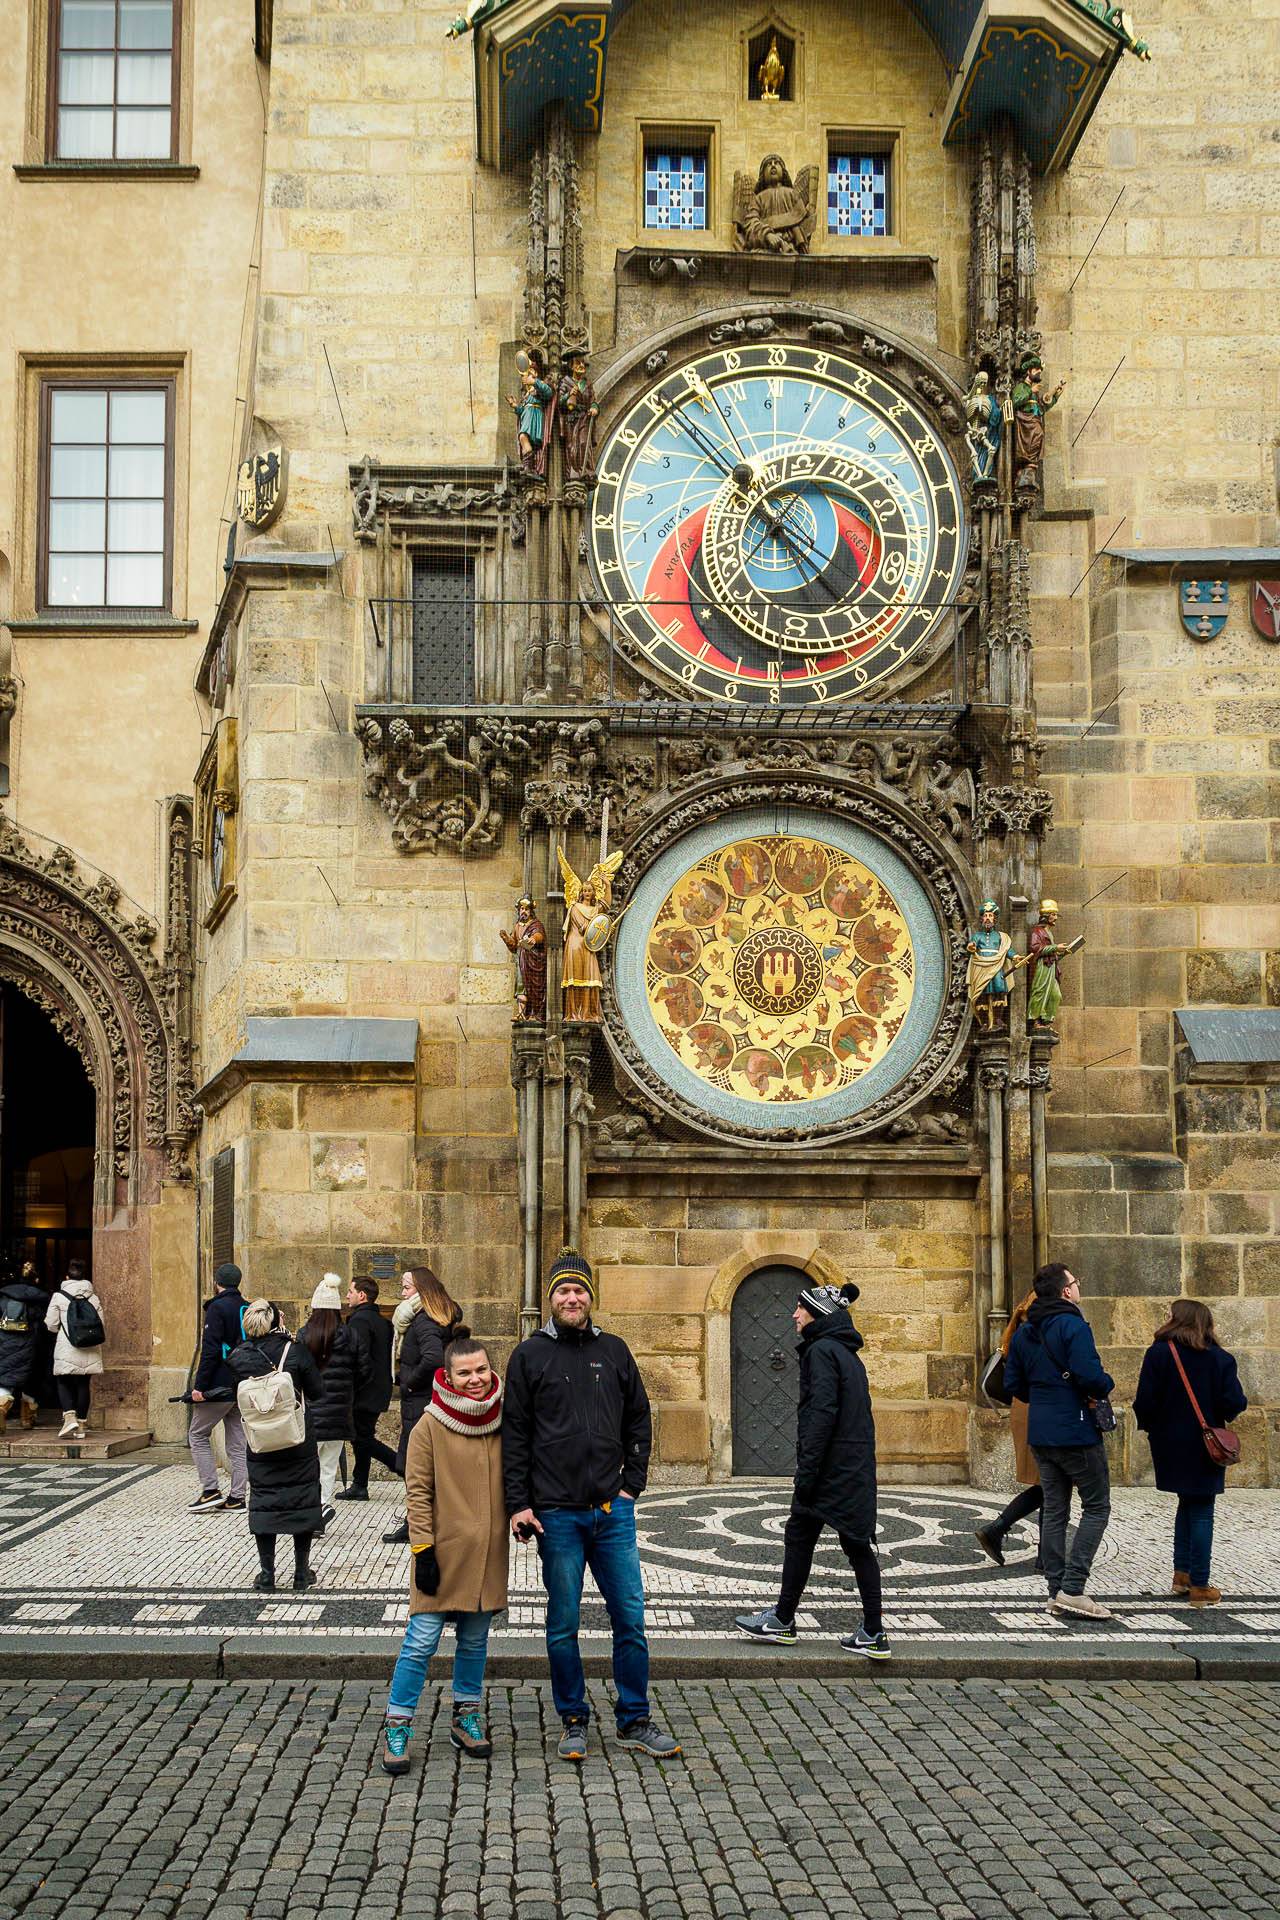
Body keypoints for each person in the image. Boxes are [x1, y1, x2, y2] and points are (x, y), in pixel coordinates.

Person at [503, 1248, 680, 1762]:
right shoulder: (529, 1356)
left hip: (611, 1511)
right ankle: (573, 1718)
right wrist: (518, 1503)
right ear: (551, 1299)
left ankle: (634, 1719)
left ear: (590, 1298)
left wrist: (632, 1485)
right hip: (556, 1514)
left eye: (579, 1290)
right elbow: (514, 1436)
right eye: (563, 1290)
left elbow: (639, 1419)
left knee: (630, 1617)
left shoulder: (616, 1351)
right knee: (562, 1623)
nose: (572, 1297)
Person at [735, 1281, 889, 1658]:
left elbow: (821, 1415)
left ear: (818, 1314)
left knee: (805, 1536)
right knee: (853, 1544)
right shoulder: (847, 1354)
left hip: (829, 1469)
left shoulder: (821, 1352)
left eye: (801, 1308)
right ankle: (871, 1630)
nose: (794, 1314)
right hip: (851, 1466)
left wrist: (807, 1471)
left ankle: (785, 1621)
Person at [381, 1332, 509, 1775]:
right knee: (421, 1642)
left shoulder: (503, 1416)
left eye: (481, 1370)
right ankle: (398, 1723)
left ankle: (465, 1716)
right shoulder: (429, 1425)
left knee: (474, 1641)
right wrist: (423, 1553)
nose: (475, 1380)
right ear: (449, 1377)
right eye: (465, 1373)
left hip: (488, 1551)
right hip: (442, 1550)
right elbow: (417, 1494)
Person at [1004, 1262, 1115, 1619]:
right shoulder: (1073, 1324)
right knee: (1096, 1507)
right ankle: (1074, 1588)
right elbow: (1090, 1376)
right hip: (1077, 1430)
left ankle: (1055, 1591)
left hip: (1041, 1430)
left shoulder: (1025, 1331)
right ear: (1066, 1291)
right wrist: (1105, 1383)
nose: (1077, 1287)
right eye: (1075, 1282)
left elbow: (1014, 1385)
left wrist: (1044, 1397)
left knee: (1054, 1509)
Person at [1133, 1299, 1247, 1609]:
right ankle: (1200, 1585)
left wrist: (1153, 1428)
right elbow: (1234, 1403)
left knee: (1187, 1503)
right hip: (1204, 1444)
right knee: (1201, 1511)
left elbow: (1143, 1401)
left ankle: (1181, 1575)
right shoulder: (1220, 1358)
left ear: (1177, 1320)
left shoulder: (1158, 1353)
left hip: (1168, 1443)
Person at [225, 1299, 326, 1592]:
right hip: (296, 1439)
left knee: (265, 1501)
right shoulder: (294, 1351)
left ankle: (267, 1574)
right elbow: (317, 1392)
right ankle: (300, 1573)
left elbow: (236, 1396)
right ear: (275, 1322)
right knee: (303, 1500)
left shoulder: (237, 1356)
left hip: (260, 1441)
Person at [381, 1268, 465, 1545]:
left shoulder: (424, 1321)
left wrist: (409, 1384)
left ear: (420, 1291)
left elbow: (432, 1359)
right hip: (426, 1398)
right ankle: (418, 1520)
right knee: (423, 1463)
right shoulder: (432, 1317)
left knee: (415, 1464)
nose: (402, 1294)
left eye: (406, 1288)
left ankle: (416, 1523)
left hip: (420, 1400)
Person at [975, 1289, 1043, 1570]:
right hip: (1036, 1410)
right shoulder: (1034, 1330)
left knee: (1049, 1485)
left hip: (1028, 1409)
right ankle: (1001, 1530)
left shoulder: (1023, 1324)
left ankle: (1000, 1530)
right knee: (1050, 1484)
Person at [299, 1273, 363, 1527]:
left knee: (308, 1465)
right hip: (339, 1413)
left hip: (311, 1412)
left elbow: (296, 1372)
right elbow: (363, 1370)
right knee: (328, 1467)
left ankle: (310, 1508)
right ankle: (322, 1508)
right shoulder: (349, 1335)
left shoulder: (304, 1335)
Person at [188, 1261, 249, 1513]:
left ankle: (210, 1490)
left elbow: (210, 1350)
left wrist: (199, 1387)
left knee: (197, 1434)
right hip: (242, 1383)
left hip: (219, 1384)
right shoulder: (247, 1306)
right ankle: (237, 1497)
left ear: (217, 1283)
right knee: (237, 1442)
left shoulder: (217, 1308)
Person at [337, 1275, 395, 1502]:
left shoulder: (359, 1321)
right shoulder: (383, 1321)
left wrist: (352, 1387)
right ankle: (359, 1484)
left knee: (362, 1438)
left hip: (364, 1390)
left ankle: (402, 1465)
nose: (348, 1295)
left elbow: (358, 1359)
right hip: (379, 1387)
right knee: (362, 1436)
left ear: (362, 1295)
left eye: (350, 1291)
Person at [45, 1259, 104, 1439]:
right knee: (83, 1384)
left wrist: (62, 1330)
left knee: (63, 1381)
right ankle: (80, 1428)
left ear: (67, 1276)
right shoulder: (93, 1297)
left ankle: (69, 1415)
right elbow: (102, 1324)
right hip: (90, 1346)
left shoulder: (59, 1296)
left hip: (67, 1345)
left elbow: (51, 1324)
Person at [0, 1269, 49, 1433]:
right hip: (30, 1346)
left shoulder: (4, 1298)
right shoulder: (38, 1301)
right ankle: (27, 1419)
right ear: (36, 1280)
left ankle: (1, 1409)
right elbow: (45, 1325)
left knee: (7, 1379)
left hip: (6, 1346)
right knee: (31, 1381)